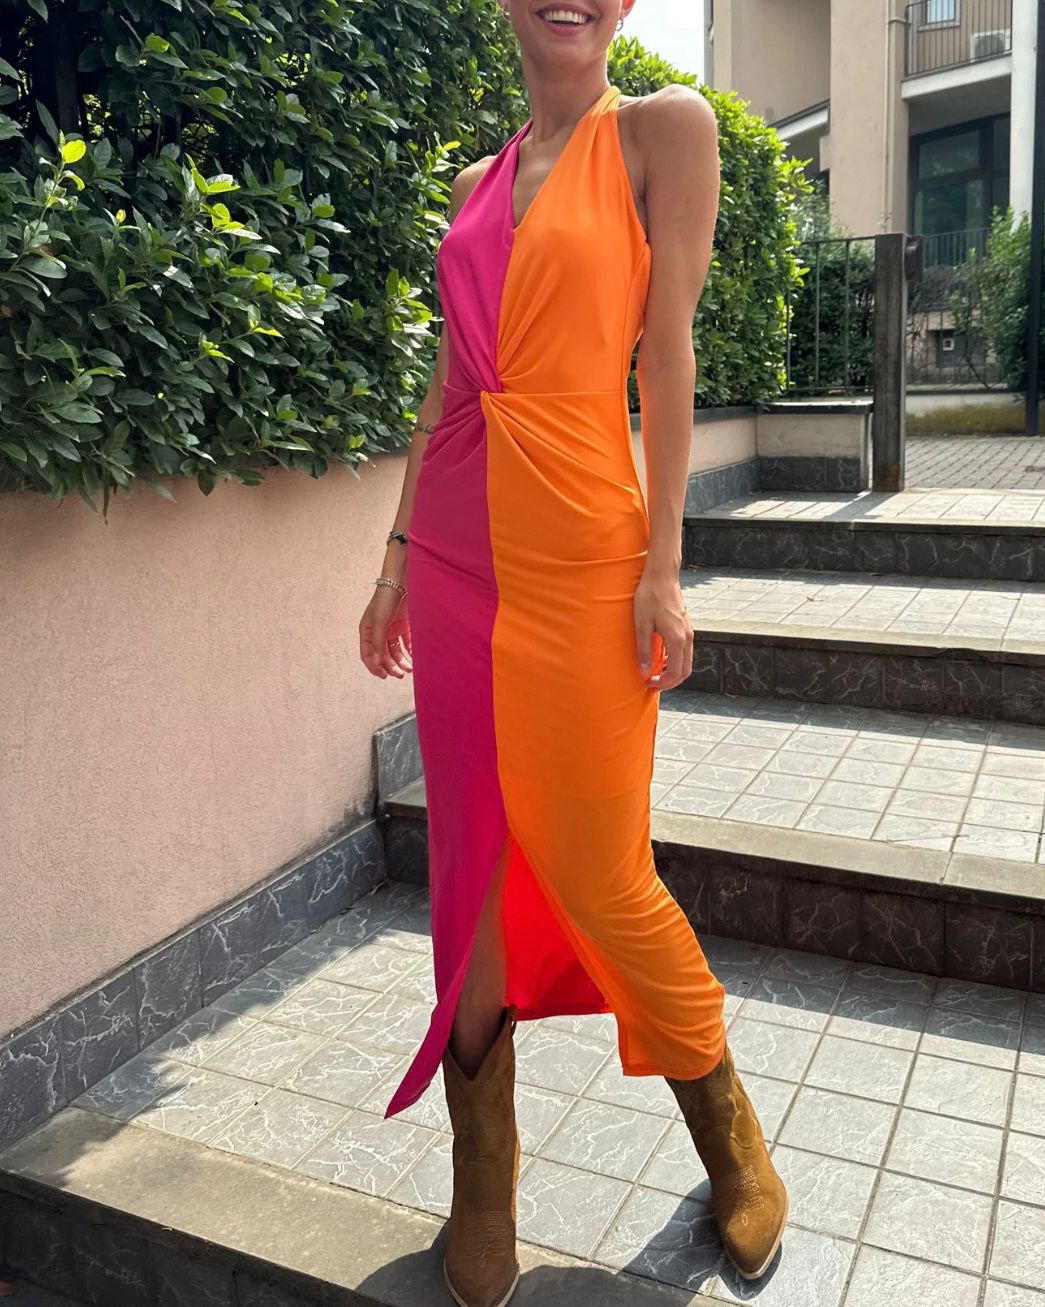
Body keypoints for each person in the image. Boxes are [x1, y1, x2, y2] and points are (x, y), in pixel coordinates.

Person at [358, 3, 787, 1304]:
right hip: (455, 553)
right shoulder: (470, 185)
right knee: (474, 863)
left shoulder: (664, 132)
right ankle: (482, 1183)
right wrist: (394, 557)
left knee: (602, 870)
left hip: (588, 553)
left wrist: (665, 568)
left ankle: (729, 1132)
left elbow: (670, 350)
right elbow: (449, 382)